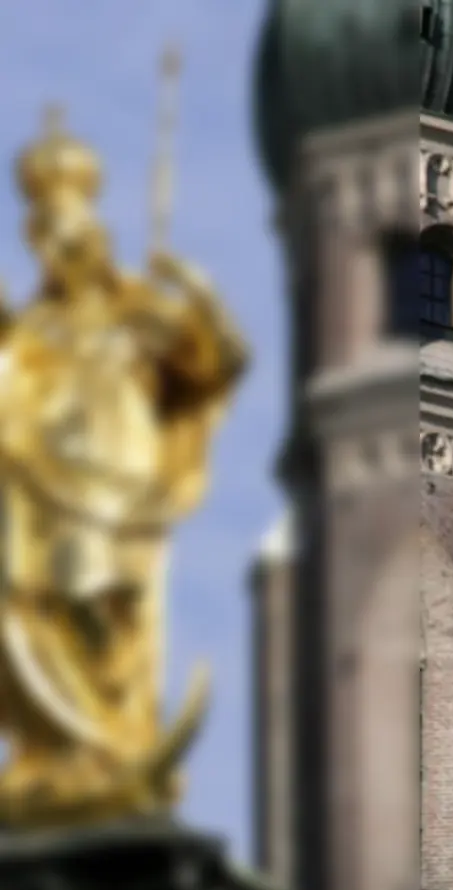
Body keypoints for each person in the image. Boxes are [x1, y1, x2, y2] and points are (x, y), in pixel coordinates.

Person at [0, 110, 246, 818]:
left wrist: (195, 292)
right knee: (22, 616)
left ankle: (111, 745)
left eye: (72, 235)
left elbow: (215, 361)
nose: (60, 248)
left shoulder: (133, 310)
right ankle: (63, 760)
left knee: (87, 594)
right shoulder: (33, 327)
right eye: (48, 237)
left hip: (114, 490)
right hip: (39, 490)